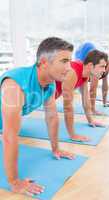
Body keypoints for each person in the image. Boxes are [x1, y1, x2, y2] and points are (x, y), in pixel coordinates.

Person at [0, 37, 75, 197]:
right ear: (44, 62)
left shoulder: (50, 83)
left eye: (70, 61)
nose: (69, 67)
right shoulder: (14, 84)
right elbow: (9, 136)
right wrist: (14, 182)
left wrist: (56, 148)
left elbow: (52, 117)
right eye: (64, 61)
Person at [55, 50, 108, 142]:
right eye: (102, 66)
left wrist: (90, 120)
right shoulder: (73, 72)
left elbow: (85, 98)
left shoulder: (85, 74)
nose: (104, 70)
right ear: (91, 65)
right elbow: (67, 107)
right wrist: (73, 135)